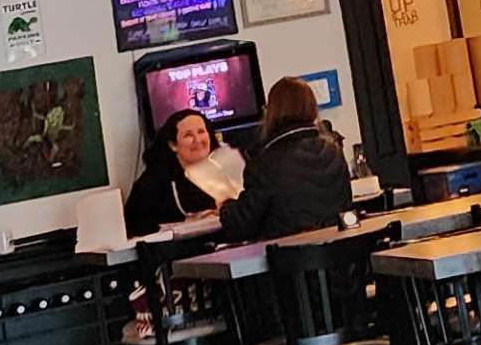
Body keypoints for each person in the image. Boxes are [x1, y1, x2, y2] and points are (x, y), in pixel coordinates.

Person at [213, 77, 353, 242]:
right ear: (312, 109)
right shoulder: (333, 151)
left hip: (289, 258)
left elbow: (242, 226)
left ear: (271, 111)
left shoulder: (265, 162)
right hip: (339, 255)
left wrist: (226, 206)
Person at [120, 108, 250, 234]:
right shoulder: (154, 181)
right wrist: (187, 221)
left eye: (201, 132)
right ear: (173, 145)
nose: (198, 140)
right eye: (188, 135)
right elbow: (135, 225)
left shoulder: (228, 164)